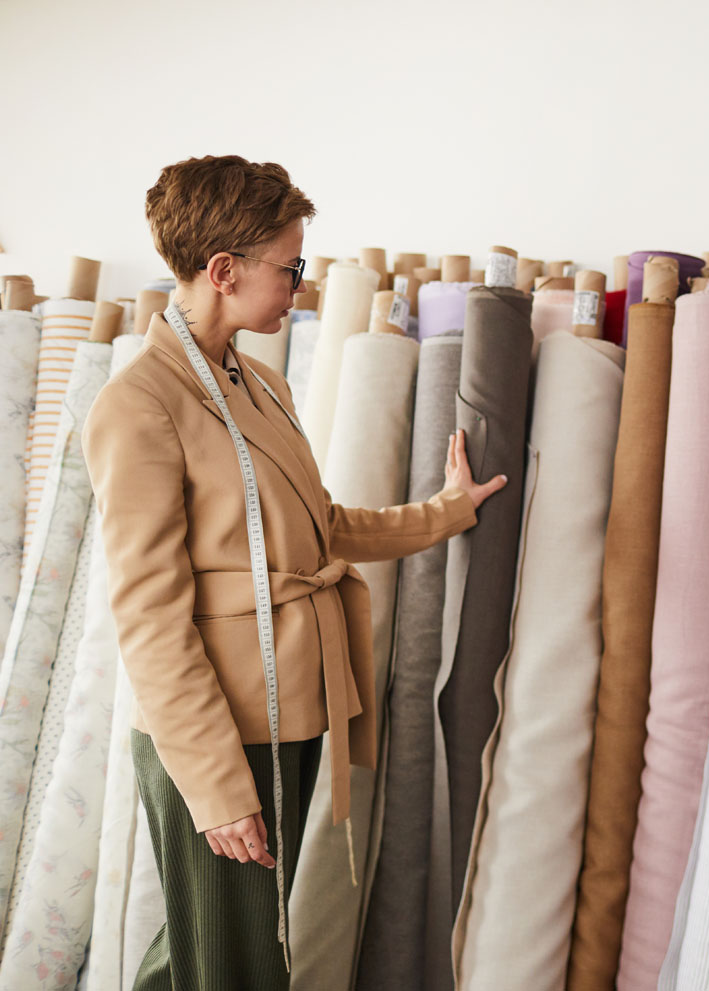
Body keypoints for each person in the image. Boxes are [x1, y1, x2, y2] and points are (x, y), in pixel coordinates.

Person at [82, 154, 508, 991]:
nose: (300, 285)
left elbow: (323, 528)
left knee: (205, 953)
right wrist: (216, 785)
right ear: (224, 270)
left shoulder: (261, 384)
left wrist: (445, 511)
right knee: (233, 965)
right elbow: (149, 616)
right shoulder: (138, 405)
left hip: (291, 715)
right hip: (222, 734)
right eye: (289, 265)